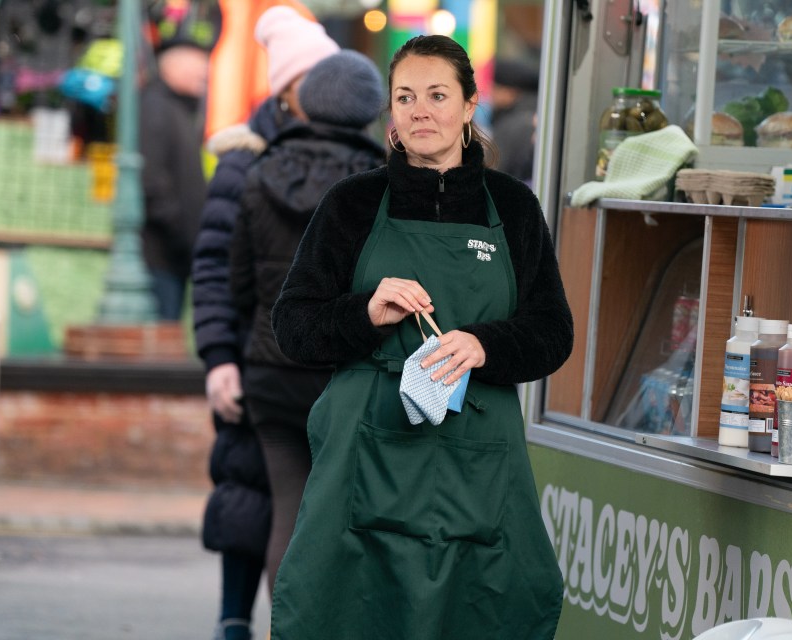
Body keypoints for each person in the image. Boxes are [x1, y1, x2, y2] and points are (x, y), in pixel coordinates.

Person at [269, 35, 574, 640]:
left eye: (437, 95)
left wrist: (485, 345)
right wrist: (366, 313)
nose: (420, 110)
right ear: (390, 112)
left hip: (476, 462)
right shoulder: (351, 204)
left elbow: (553, 333)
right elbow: (293, 327)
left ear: (468, 107)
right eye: (405, 97)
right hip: (362, 463)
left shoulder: (512, 208)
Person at [190, 7, 339, 640]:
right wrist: (219, 360)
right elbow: (215, 270)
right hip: (255, 361)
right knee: (247, 491)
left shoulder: (339, 153)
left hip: (299, 363)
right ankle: (232, 621)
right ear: (287, 89)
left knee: (281, 500)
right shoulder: (244, 160)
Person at [229, 49, 386, 597]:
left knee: (286, 512)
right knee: (347, 519)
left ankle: (284, 630)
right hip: (343, 375)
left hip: (270, 372)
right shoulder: (378, 188)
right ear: (372, 109)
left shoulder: (259, 171)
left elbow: (240, 287)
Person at [139, 33, 212, 320]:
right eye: (198, 63)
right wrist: (185, 237)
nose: (205, 72)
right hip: (162, 257)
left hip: (174, 257)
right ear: (170, 66)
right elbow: (152, 182)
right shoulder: (156, 108)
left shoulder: (178, 109)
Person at [490, 56, 540, 185]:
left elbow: (494, 173)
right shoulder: (536, 116)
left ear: (509, 92)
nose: (491, 94)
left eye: (495, 88)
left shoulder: (510, 125)